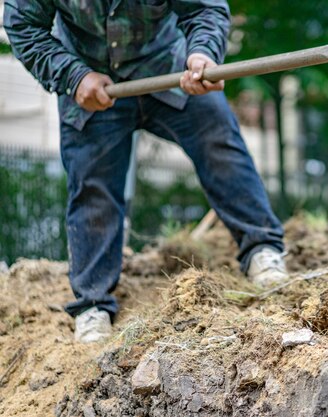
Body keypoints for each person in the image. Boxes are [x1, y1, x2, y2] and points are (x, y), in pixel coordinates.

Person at [4, 0, 288, 343]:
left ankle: (262, 249)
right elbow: (23, 27)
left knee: (219, 144)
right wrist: (73, 75)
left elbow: (205, 9)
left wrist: (202, 52)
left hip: (169, 69)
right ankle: (92, 304)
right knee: (93, 187)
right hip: (90, 85)